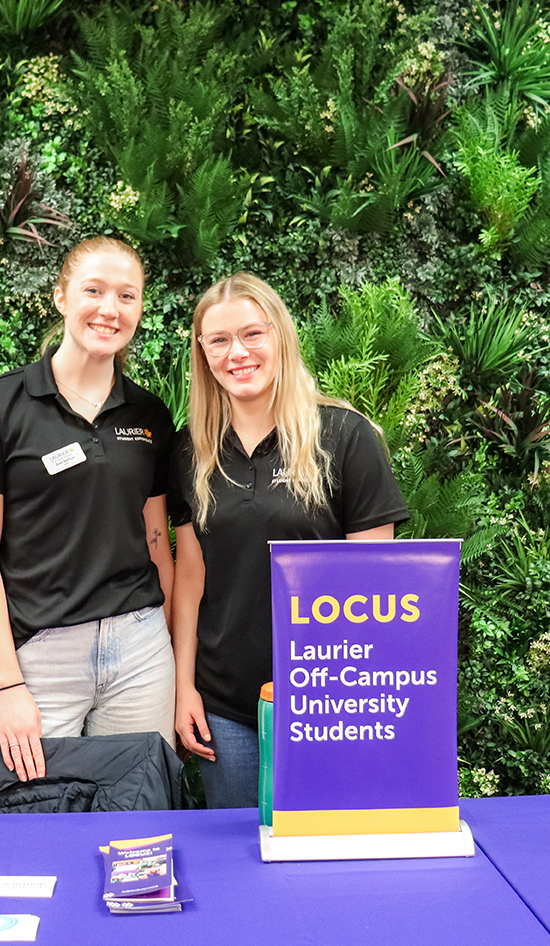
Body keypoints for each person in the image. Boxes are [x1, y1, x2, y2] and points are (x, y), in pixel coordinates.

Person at [169, 273, 409, 808]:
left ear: (281, 336)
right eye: (220, 340)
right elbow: (190, 578)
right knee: (238, 861)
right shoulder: (191, 449)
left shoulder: (345, 436)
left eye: (253, 334)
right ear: (203, 352)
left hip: (326, 699)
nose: (238, 352)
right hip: (226, 706)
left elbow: (378, 585)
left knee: (326, 865)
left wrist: (357, 697)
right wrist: (184, 686)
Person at [0, 236, 177, 783]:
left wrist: (163, 644)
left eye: (127, 296)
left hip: (140, 650)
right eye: (93, 291)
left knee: (138, 825)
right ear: (60, 298)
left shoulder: (149, 413)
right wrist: (7, 685)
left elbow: (155, 541)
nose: (109, 309)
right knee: (20, 820)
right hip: (38, 657)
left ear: (141, 308)